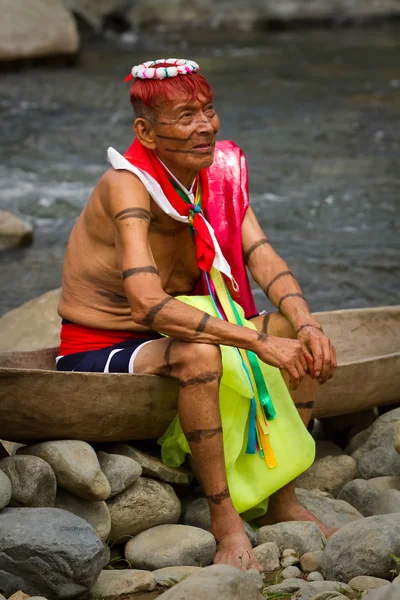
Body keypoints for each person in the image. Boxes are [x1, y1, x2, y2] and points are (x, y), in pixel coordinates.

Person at [57, 58, 337, 571]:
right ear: (147, 130)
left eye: (208, 110)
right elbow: (145, 302)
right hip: (103, 344)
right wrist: (255, 344)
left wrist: (306, 324)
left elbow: (261, 255)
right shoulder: (127, 185)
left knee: (289, 330)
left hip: (175, 327)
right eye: (185, 116)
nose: (205, 125)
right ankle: (224, 519)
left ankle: (282, 500)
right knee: (203, 352)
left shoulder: (216, 175)